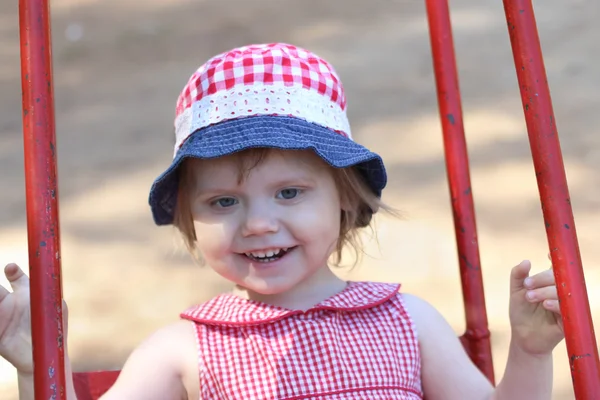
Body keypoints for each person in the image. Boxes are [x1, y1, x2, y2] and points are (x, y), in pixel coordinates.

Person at [0, 43, 564, 400]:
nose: (258, 224)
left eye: (289, 192)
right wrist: (36, 367)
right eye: (223, 202)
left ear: (345, 198)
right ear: (190, 222)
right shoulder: (183, 350)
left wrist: (531, 352)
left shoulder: (406, 322)